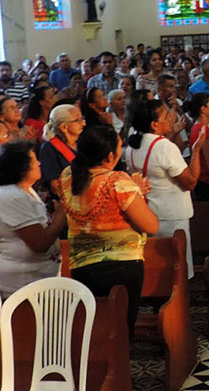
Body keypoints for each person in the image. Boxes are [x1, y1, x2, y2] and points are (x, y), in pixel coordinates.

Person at [57, 125, 158, 333]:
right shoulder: (118, 181)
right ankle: (120, 366)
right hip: (122, 266)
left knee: (94, 330)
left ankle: (94, 366)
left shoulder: (68, 176)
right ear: (110, 155)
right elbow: (151, 225)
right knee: (120, 331)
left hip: (82, 266)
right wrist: (136, 190)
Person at [126, 97, 204, 262]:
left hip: (147, 215)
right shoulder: (165, 146)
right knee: (177, 266)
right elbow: (190, 182)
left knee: (156, 265)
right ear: (154, 124)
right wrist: (196, 150)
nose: (172, 117)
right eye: (167, 114)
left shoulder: (133, 145)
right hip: (172, 216)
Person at [0, 141, 66, 296]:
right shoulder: (13, 196)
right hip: (22, 284)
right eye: (33, 160)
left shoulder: (24, 190)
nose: (39, 163)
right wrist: (63, 212)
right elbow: (39, 243)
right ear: (20, 168)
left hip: (37, 279)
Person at [39, 104, 85, 194]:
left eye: (82, 119)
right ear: (64, 127)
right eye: (77, 121)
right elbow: (55, 186)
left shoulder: (83, 142)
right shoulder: (49, 148)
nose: (83, 123)